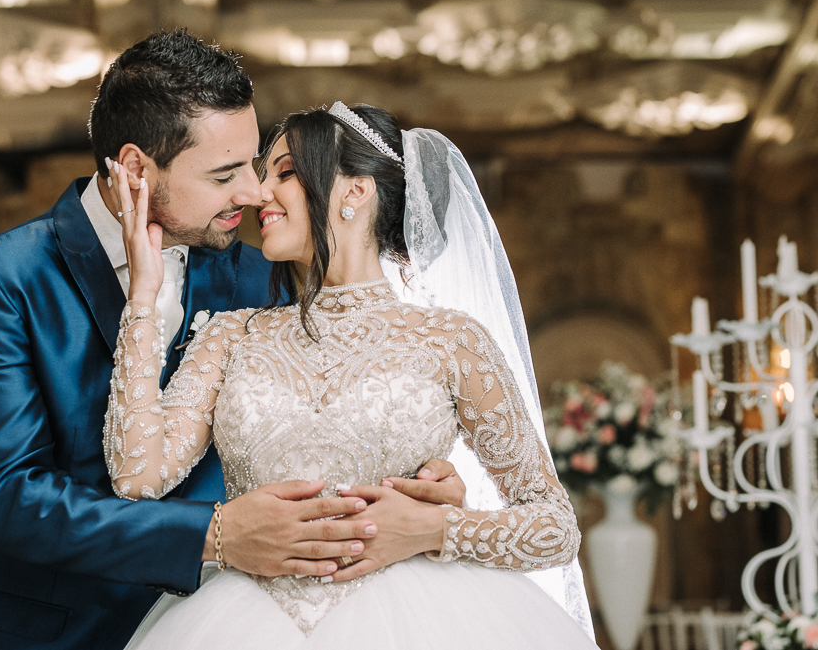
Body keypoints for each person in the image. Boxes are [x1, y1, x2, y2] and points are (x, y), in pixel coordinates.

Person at [0, 32, 466, 650]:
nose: (252, 192)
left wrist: (418, 485)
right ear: (134, 169)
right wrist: (214, 535)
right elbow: (10, 498)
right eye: (224, 173)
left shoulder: (258, 275)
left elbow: (330, 409)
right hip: (42, 635)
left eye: (255, 164)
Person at [102, 102, 598, 648]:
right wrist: (143, 298)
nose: (259, 193)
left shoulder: (450, 341)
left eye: (285, 173)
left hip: (418, 623)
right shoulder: (230, 336)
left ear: (356, 192)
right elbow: (136, 477)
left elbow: (554, 527)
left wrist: (430, 530)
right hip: (240, 619)